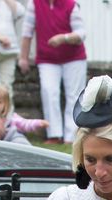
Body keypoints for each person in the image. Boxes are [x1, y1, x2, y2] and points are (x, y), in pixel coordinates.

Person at [18, 0, 87, 144]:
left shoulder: (70, 4)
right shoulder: (34, 4)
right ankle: (54, 134)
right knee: (49, 92)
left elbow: (81, 34)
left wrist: (64, 38)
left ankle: (72, 137)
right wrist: (23, 58)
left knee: (74, 95)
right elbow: (27, 32)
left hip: (74, 58)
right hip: (47, 58)